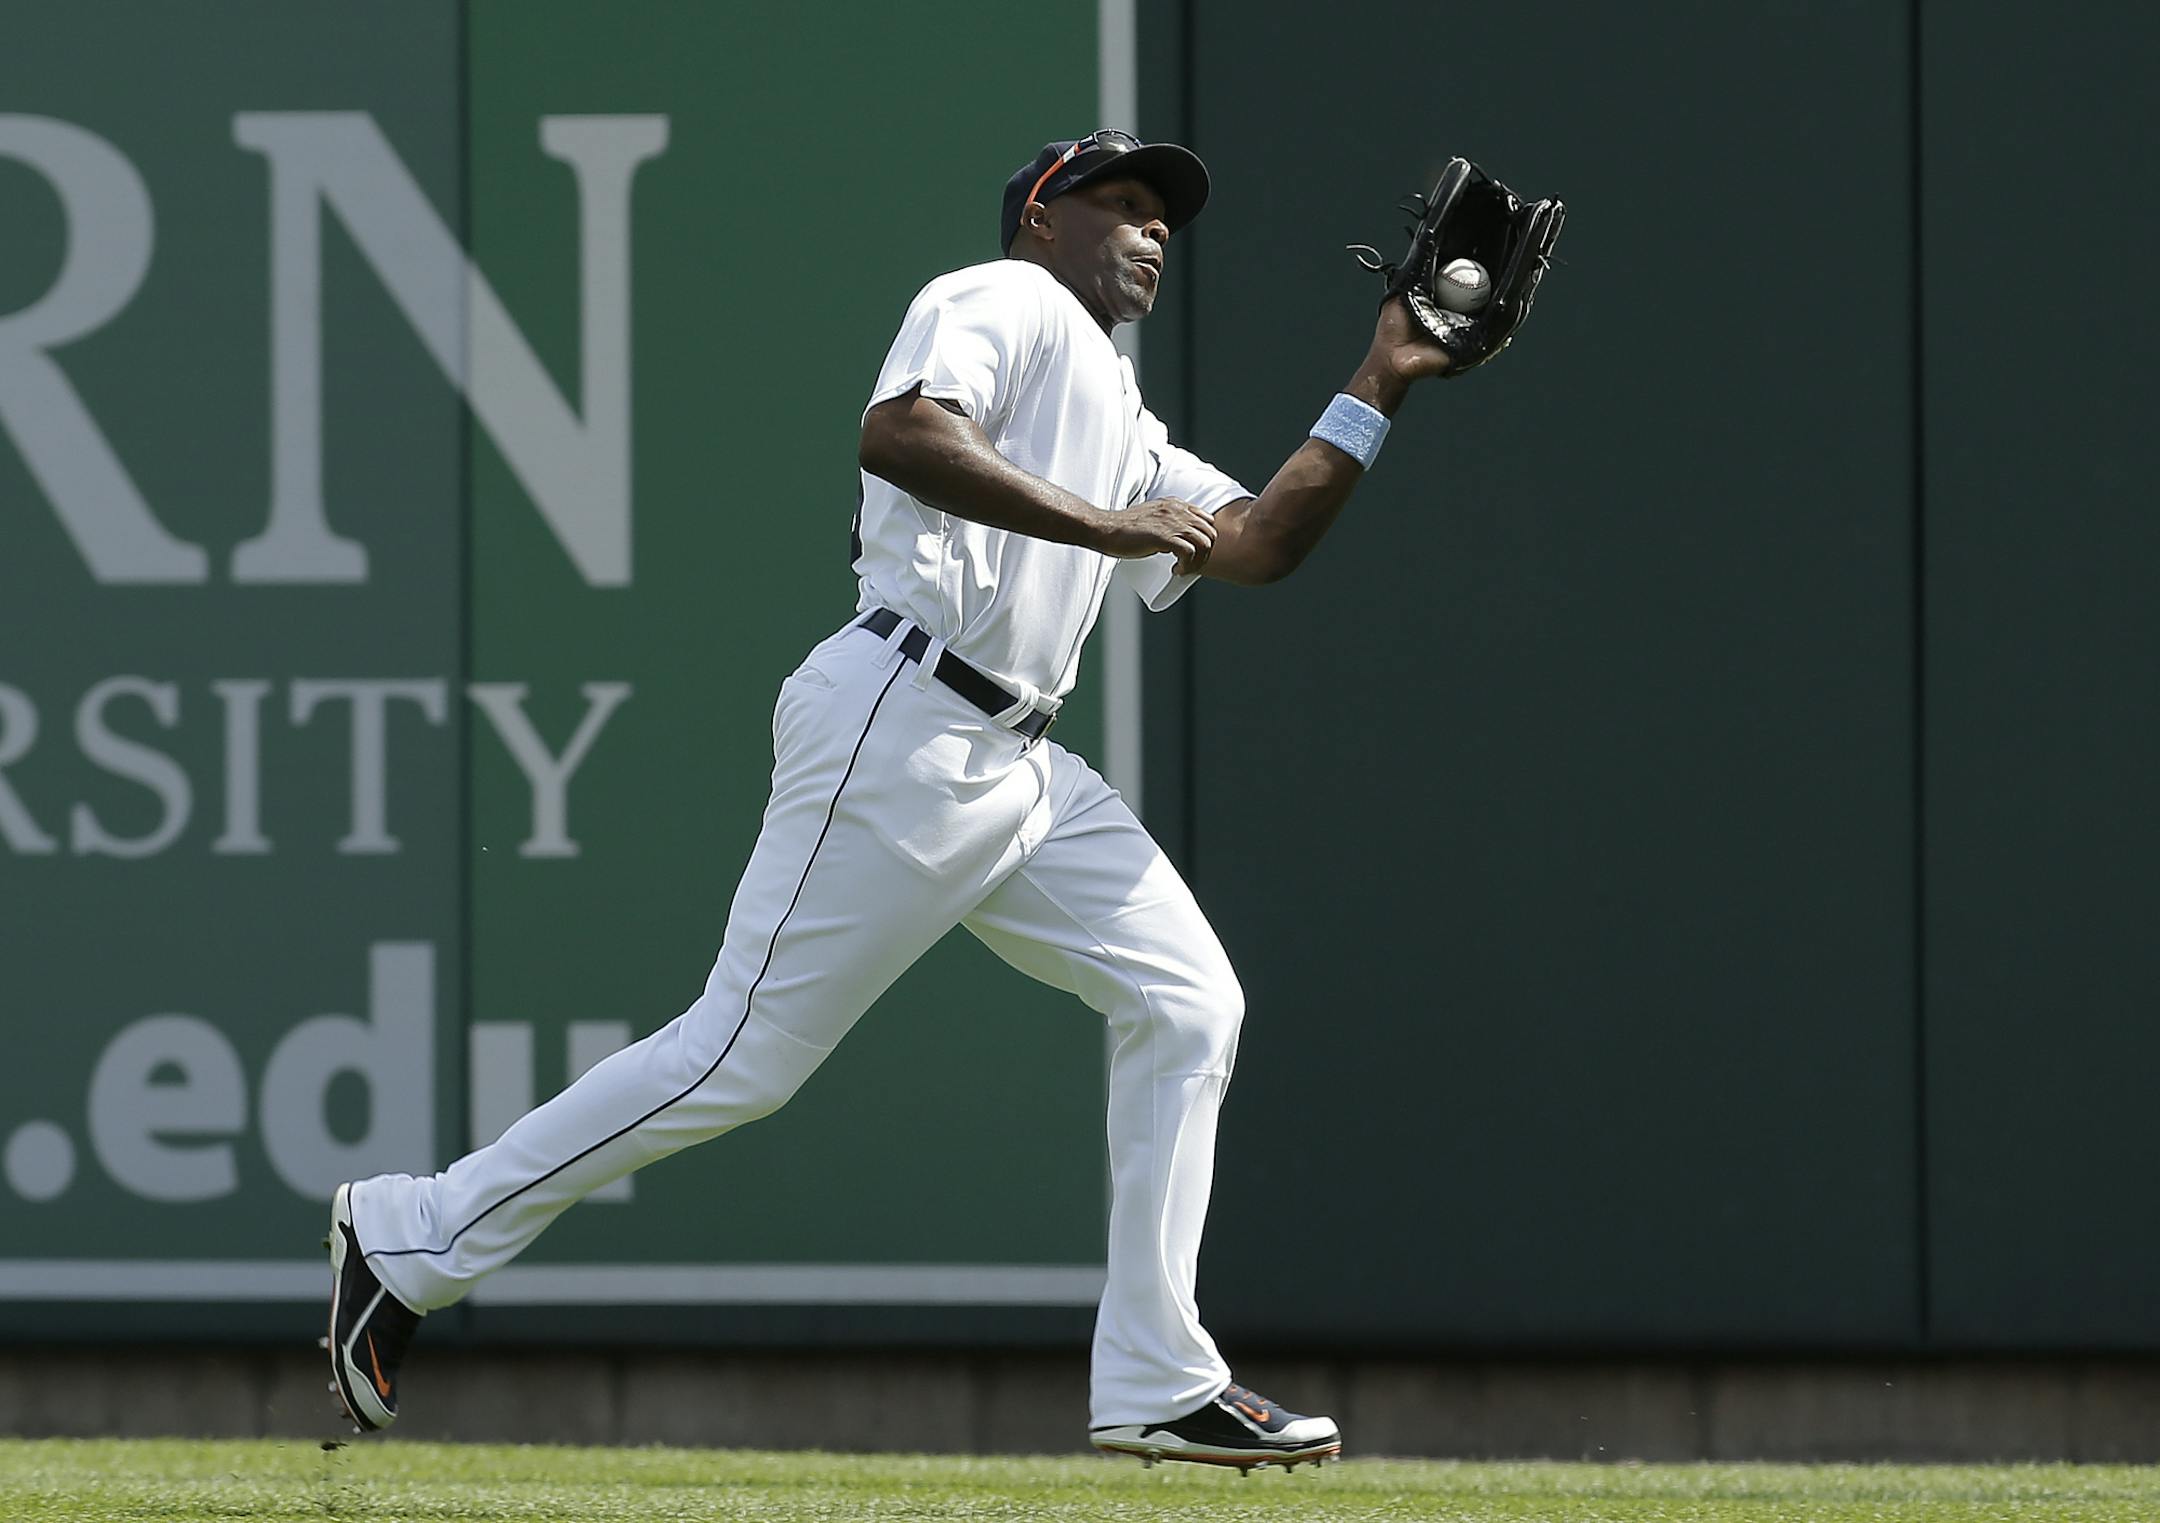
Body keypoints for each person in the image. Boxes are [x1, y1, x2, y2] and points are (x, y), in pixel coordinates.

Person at [326, 129, 1455, 1470]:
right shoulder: (1002, 295)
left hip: (1022, 764)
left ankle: (1157, 1373)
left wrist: (1382, 376)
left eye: (1166, 215)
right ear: (1044, 212)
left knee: (1187, 999)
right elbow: (904, 430)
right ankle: (411, 1232)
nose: (1153, 232)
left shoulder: (1117, 408)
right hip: (906, 715)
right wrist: (1107, 529)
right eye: (1124, 202)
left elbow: (1259, 543)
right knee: (736, 1057)